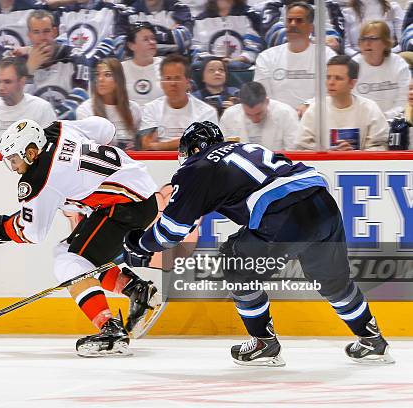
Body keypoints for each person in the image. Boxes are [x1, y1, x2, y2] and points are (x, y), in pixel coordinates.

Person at [123, 121, 394, 366]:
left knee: (235, 264)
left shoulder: (196, 167)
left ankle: (264, 344)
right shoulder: (245, 147)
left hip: (284, 213)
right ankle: (373, 340)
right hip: (321, 199)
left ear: (195, 148)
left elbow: (170, 231)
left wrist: (139, 244)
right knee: (334, 281)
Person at [0, 117, 160, 356]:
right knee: (71, 253)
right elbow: (106, 128)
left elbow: (32, 233)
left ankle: (110, 331)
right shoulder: (59, 129)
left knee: (69, 263)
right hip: (140, 191)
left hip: (126, 207)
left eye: (15, 159)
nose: (14, 167)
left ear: (31, 152)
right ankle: (137, 290)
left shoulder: (39, 179)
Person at [11, 9, 114, 115]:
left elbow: (80, 97)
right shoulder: (20, 61)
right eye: (36, 32)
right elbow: (14, 105)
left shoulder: (76, 57)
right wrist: (29, 70)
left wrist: (50, 120)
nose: (42, 38)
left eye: (46, 31)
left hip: (69, 125)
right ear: (29, 35)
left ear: (55, 32)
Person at [254, 2, 336, 114]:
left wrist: (310, 105)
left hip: (315, 117)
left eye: (299, 20)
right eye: (289, 20)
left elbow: (333, 92)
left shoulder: (326, 55)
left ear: (311, 27)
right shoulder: (267, 57)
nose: (293, 24)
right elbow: (262, 97)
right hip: (278, 120)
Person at [298, 55, 388, 151]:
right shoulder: (315, 110)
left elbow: (380, 147)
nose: (331, 82)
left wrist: (354, 155)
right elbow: (302, 147)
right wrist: (329, 154)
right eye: (328, 77)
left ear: (352, 83)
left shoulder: (370, 109)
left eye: (338, 78)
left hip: (360, 165)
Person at [139, 54, 218, 150]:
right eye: (168, 78)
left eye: (177, 78)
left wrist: (159, 145)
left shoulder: (207, 112)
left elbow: (203, 144)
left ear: (188, 82)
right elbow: (146, 146)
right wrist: (188, 140)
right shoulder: (150, 109)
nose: (173, 83)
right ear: (161, 83)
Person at [0, 57, 55, 151]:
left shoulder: (42, 108)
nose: (1, 87)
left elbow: (51, 148)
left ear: (22, 81)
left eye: (7, 82)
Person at [76, 58, 141, 151]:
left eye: (107, 75)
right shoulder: (85, 110)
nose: (100, 79)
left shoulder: (133, 109)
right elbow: (85, 149)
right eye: (97, 75)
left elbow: (138, 145)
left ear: (119, 79)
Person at [353, 20, 411, 120]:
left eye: (373, 38)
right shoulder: (353, 65)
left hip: (393, 122)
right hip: (361, 121)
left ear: (385, 42)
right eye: (363, 39)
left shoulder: (399, 64)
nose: (367, 43)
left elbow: (404, 101)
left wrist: (384, 117)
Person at [220, 81, 300, 150]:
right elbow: (221, 149)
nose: (255, 120)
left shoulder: (286, 114)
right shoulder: (229, 116)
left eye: (259, 113)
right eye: (249, 114)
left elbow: (293, 150)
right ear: (241, 105)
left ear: (267, 101)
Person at [192, 0, 263, 70]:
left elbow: (253, 48)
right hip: (210, 67)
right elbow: (198, 49)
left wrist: (237, 60)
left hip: (241, 66)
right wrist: (215, 62)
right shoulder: (201, 19)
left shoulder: (250, 15)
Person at [121, 22, 164, 107]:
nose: (152, 42)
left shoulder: (166, 66)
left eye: (153, 38)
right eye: (145, 39)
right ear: (131, 45)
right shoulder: (120, 69)